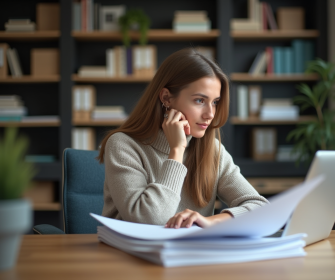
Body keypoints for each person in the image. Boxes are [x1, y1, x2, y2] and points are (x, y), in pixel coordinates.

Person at [97, 48, 268, 229]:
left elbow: (262, 209)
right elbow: (149, 220)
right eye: (199, 101)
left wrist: (209, 221)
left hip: (190, 253)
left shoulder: (212, 149)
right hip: (125, 255)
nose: (210, 114)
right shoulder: (123, 145)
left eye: (215, 102)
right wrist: (177, 150)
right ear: (166, 98)